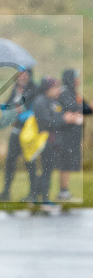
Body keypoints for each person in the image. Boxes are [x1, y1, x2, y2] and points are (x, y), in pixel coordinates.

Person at [31, 77, 83, 203]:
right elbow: (45, 121)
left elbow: (56, 116)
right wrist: (64, 120)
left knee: (47, 170)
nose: (58, 91)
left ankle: (42, 197)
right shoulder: (41, 101)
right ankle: (41, 198)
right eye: (55, 88)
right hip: (43, 141)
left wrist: (67, 117)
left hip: (52, 141)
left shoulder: (52, 101)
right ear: (47, 89)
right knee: (44, 170)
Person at [0, 68, 37, 201]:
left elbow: (33, 107)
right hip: (15, 130)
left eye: (24, 75)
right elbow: (8, 105)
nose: (21, 77)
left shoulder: (34, 89)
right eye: (19, 74)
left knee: (30, 161)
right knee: (10, 161)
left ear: (29, 76)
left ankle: (33, 193)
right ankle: (6, 192)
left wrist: (21, 108)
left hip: (28, 131)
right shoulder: (15, 89)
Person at [55, 68, 90, 200]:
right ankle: (63, 192)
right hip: (66, 136)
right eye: (76, 78)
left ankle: (65, 191)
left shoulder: (73, 93)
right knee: (66, 163)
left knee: (68, 163)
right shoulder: (65, 93)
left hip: (73, 136)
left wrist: (87, 108)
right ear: (71, 79)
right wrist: (82, 109)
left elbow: (84, 108)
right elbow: (72, 107)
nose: (78, 80)